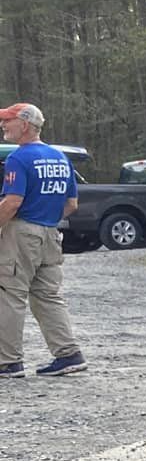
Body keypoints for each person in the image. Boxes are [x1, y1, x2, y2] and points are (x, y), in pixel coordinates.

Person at [0, 102, 86, 378]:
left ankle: (8, 362)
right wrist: (45, 218)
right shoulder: (60, 158)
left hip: (21, 233)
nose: (3, 125)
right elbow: (71, 203)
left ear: (24, 125)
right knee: (48, 296)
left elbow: (12, 202)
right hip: (51, 232)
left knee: (9, 295)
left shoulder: (18, 158)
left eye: (7, 120)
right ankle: (68, 355)